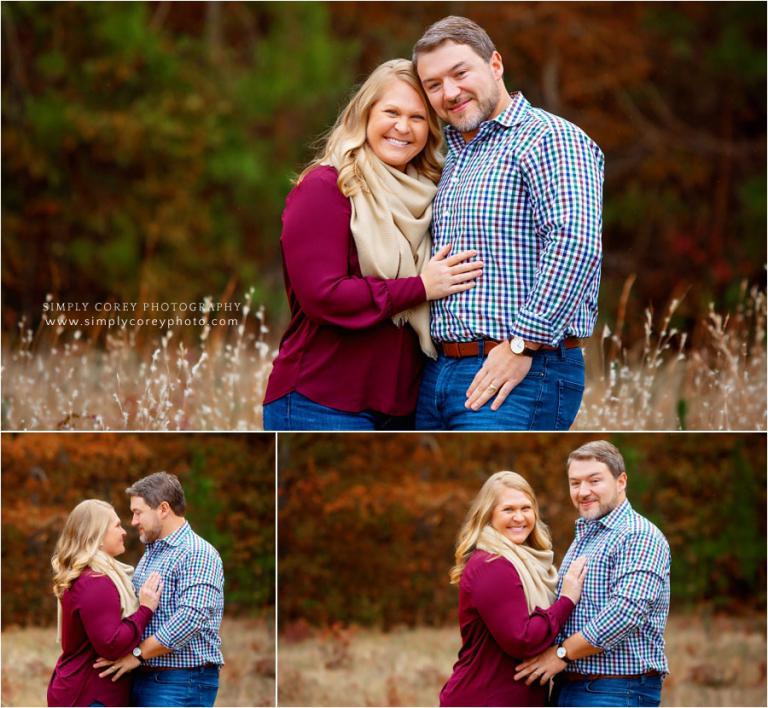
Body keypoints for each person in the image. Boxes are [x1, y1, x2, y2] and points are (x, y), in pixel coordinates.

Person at [262, 58, 483, 431]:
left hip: (403, 407)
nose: (403, 127)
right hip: (319, 401)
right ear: (364, 115)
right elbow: (323, 295)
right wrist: (420, 287)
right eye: (391, 112)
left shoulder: (434, 195)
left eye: (417, 118)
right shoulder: (326, 188)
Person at [412, 16, 604, 431]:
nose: (449, 92)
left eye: (460, 73)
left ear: (495, 64)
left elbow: (576, 243)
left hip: (520, 368)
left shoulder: (549, 137)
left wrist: (521, 344)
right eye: (433, 85)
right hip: (439, 372)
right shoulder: (450, 156)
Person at [514, 441, 671, 707]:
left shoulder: (638, 535)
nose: (583, 491)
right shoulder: (587, 535)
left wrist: (561, 654)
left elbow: (625, 613)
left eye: (594, 481)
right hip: (574, 686)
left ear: (621, 481)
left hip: (616, 689)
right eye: (575, 483)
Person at [440, 471, 587, 707]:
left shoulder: (531, 563)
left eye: (526, 508)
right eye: (508, 510)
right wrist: (567, 600)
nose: (519, 517)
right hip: (485, 698)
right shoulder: (491, 565)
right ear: (488, 516)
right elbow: (523, 639)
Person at [94, 472, 225, 708]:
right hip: (146, 676)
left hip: (181, 681)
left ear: (163, 509)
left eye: (138, 512)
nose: (133, 521)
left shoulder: (197, 552)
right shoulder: (151, 555)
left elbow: (190, 618)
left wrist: (135, 654)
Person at [47, 500, 162, 707]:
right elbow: (112, 644)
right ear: (97, 536)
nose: (124, 532)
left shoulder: (88, 576)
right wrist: (145, 609)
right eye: (117, 526)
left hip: (89, 692)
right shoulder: (95, 582)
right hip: (90, 695)